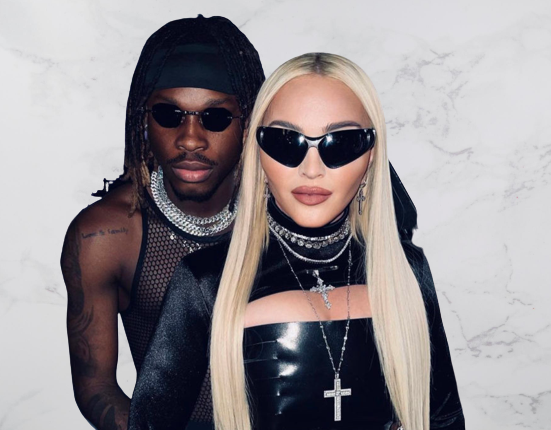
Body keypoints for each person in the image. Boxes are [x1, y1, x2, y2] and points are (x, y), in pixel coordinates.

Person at [128, 53, 465, 430]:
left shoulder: (407, 271)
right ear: (257, 151)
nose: (311, 169)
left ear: (372, 155)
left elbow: (445, 419)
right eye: (286, 141)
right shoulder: (206, 282)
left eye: (340, 142)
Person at [60, 15, 264, 430]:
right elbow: (96, 387)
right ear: (143, 120)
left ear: (248, 126)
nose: (190, 139)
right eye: (170, 114)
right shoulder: (105, 236)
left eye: (215, 117)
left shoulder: (284, 216)